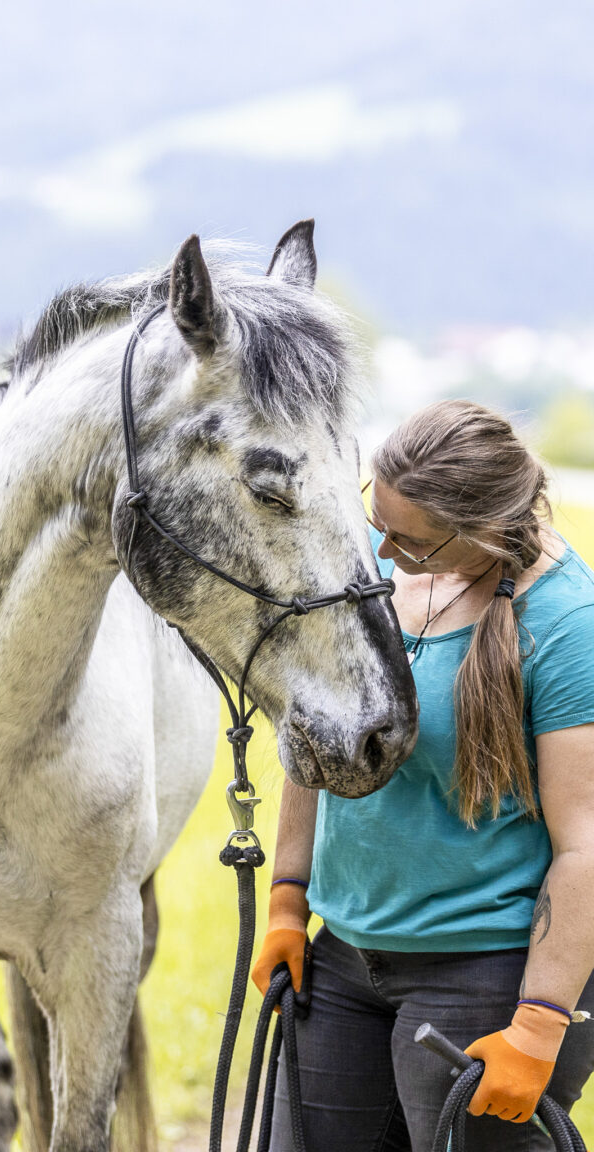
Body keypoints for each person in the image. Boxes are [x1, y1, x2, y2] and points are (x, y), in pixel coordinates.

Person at [252, 399, 594, 1151]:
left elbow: (585, 846)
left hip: (484, 972)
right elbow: (320, 743)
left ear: (480, 531)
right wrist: (287, 899)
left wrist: (539, 1025)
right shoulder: (371, 572)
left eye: (408, 540)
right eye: (378, 520)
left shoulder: (568, 623)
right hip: (340, 960)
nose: (381, 546)